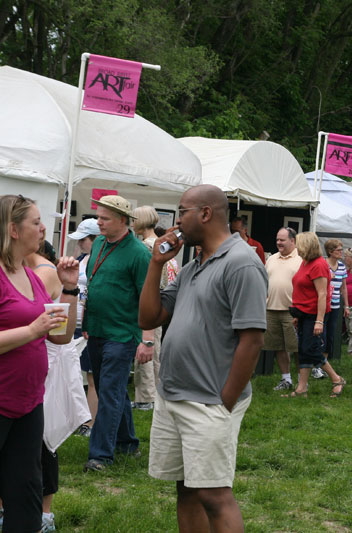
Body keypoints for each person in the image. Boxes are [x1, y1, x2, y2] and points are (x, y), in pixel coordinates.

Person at [139, 184, 267, 533]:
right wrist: (156, 263)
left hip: (209, 401)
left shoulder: (241, 263)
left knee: (213, 494)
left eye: (182, 212)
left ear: (205, 214)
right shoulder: (194, 266)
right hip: (174, 394)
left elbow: (252, 339)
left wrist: (224, 402)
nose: (176, 221)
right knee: (186, 489)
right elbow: (149, 318)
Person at [0, 194, 78, 533]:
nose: (43, 227)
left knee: (27, 493)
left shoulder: (32, 276)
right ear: (13, 230)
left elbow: (59, 337)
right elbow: (35, 330)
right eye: (36, 221)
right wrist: (31, 330)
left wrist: (70, 291)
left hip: (29, 402)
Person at [83, 195, 154, 472]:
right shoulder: (99, 243)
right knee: (109, 390)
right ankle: (128, 443)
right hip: (97, 330)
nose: (97, 222)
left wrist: (146, 339)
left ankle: (100, 456)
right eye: (98, 217)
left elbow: (148, 299)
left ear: (123, 221)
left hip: (122, 334)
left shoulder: (138, 253)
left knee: (109, 393)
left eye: (104, 218)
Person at [280, 232, 347, 399]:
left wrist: (319, 321)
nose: (296, 247)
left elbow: (322, 294)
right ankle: (302, 388)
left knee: (311, 349)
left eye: (299, 244)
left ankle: (337, 379)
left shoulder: (318, 265)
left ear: (307, 246)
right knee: (303, 350)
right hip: (302, 314)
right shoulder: (306, 263)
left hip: (313, 315)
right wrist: (297, 314)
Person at [131, 206, 167, 411]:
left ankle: (145, 397)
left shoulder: (144, 246)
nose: (131, 224)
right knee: (156, 351)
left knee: (144, 350)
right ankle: (155, 393)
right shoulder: (161, 244)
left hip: (148, 301)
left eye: (134, 219)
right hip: (161, 302)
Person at [67, 218, 101, 437]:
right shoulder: (81, 259)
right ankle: (77, 419)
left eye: (83, 240)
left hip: (90, 328)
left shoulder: (100, 262)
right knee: (72, 375)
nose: (79, 244)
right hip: (74, 327)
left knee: (91, 377)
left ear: (96, 239)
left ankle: (90, 423)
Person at [265, 227, 302, 391]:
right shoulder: (271, 258)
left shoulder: (301, 259)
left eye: (282, 240)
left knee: (297, 348)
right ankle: (286, 379)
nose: (278, 243)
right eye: (277, 239)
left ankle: (302, 380)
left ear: (292, 241)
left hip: (292, 311)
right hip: (271, 309)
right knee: (278, 346)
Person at [323, 239, 348, 365]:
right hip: (322, 305)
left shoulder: (342, 266)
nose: (341, 252)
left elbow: (343, 287)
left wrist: (346, 306)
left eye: (341, 249)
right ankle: (317, 363)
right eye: (338, 250)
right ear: (330, 251)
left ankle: (324, 363)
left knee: (330, 335)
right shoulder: (322, 263)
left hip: (335, 305)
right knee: (321, 334)